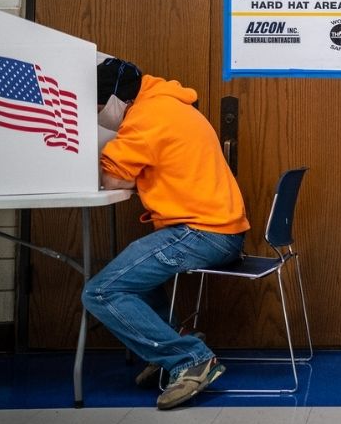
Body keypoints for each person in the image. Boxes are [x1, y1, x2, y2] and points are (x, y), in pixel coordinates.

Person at [83, 58, 251, 411]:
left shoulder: (145, 118)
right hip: (221, 230)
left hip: (201, 232)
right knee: (134, 279)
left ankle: (189, 358)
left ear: (114, 101)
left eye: (97, 106)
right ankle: (176, 341)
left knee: (101, 291)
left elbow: (115, 179)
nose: (96, 114)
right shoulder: (169, 105)